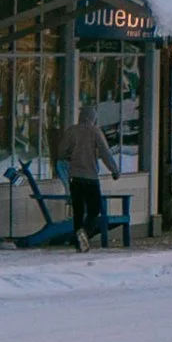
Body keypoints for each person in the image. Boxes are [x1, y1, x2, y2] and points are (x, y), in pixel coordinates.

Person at [61, 107, 120, 251]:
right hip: (90, 177)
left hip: (74, 177)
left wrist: (69, 157)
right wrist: (114, 170)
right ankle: (85, 232)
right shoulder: (95, 132)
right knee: (94, 209)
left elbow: (61, 151)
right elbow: (105, 153)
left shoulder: (71, 131)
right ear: (93, 118)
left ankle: (78, 241)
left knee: (78, 211)